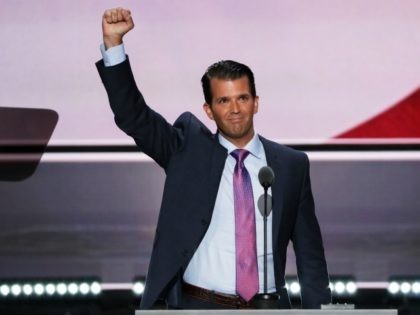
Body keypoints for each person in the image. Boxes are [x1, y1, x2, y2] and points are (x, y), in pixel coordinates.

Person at [96, 7, 331, 310]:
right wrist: (114, 46)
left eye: (242, 98)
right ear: (209, 110)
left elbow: (310, 256)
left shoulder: (291, 165)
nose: (235, 109)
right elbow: (133, 116)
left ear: (256, 103)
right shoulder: (187, 150)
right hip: (200, 304)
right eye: (223, 100)